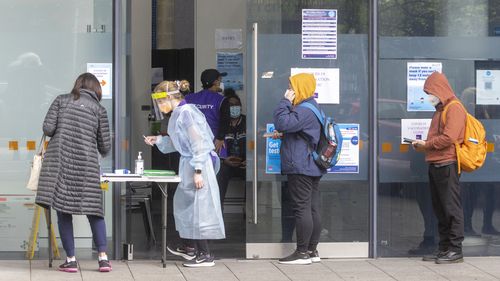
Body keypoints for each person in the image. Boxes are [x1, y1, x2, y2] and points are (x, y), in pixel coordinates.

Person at [35, 73, 112, 273]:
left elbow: (48, 128)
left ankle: (70, 260)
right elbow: (105, 146)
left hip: (60, 163)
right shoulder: (99, 110)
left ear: (78, 85)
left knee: (63, 211)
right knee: (94, 211)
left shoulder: (61, 101)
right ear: (96, 89)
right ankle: (103, 259)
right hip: (86, 166)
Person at [145, 80, 225, 267]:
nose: (159, 107)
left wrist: (198, 170)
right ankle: (192, 248)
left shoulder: (187, 113)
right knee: (189, 208)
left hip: (199, 164)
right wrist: (158, 140)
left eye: (160, 102)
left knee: (200, 210)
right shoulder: (179, 114)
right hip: (192, 163)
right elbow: (179, 142)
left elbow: (199, 142)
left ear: (169, 98)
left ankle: (205, 254)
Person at [412, 71, 466, 264]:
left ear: (440, 90)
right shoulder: (440, 109)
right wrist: (425, 145)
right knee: (440, 208)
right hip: (436, 163)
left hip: (447, 164)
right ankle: (444, 248)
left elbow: (449, 138)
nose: (428, 97)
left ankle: (455, 249)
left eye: (430, 92)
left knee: (451, 207)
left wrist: (426, 145)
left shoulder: (454, 108)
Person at [273, 73, 326, 265]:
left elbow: (282, 122)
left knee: (302, 208)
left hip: (301, 165)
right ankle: (312, 251)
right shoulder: (314, 108)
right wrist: (285, 136)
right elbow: (299, 131)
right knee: (312, 208)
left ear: (300, 87)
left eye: (291, 86)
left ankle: (302, 252)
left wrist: (284, 101)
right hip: (311, 164)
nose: (289, 90)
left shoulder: (304, 109)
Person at [184, 69, 228, 154]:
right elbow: (225, 121)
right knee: (215, 166)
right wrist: (220, 138)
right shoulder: (222, 100)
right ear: (215, 82)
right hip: (215, 144)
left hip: (193, 144)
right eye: (220, 80)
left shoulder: (189, 98)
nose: (221, 82)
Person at [216, 89, 246, 211]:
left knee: (254, 173)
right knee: (220, 171)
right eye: (230, 105)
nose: (234, 107)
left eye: (236, 105)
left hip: (244, 163)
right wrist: (224, 161)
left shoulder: (248, 122)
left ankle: (249, 209)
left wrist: (249, 160)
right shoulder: (221, 124)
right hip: (226, 163)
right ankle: (218, 212)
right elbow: (214, 147)